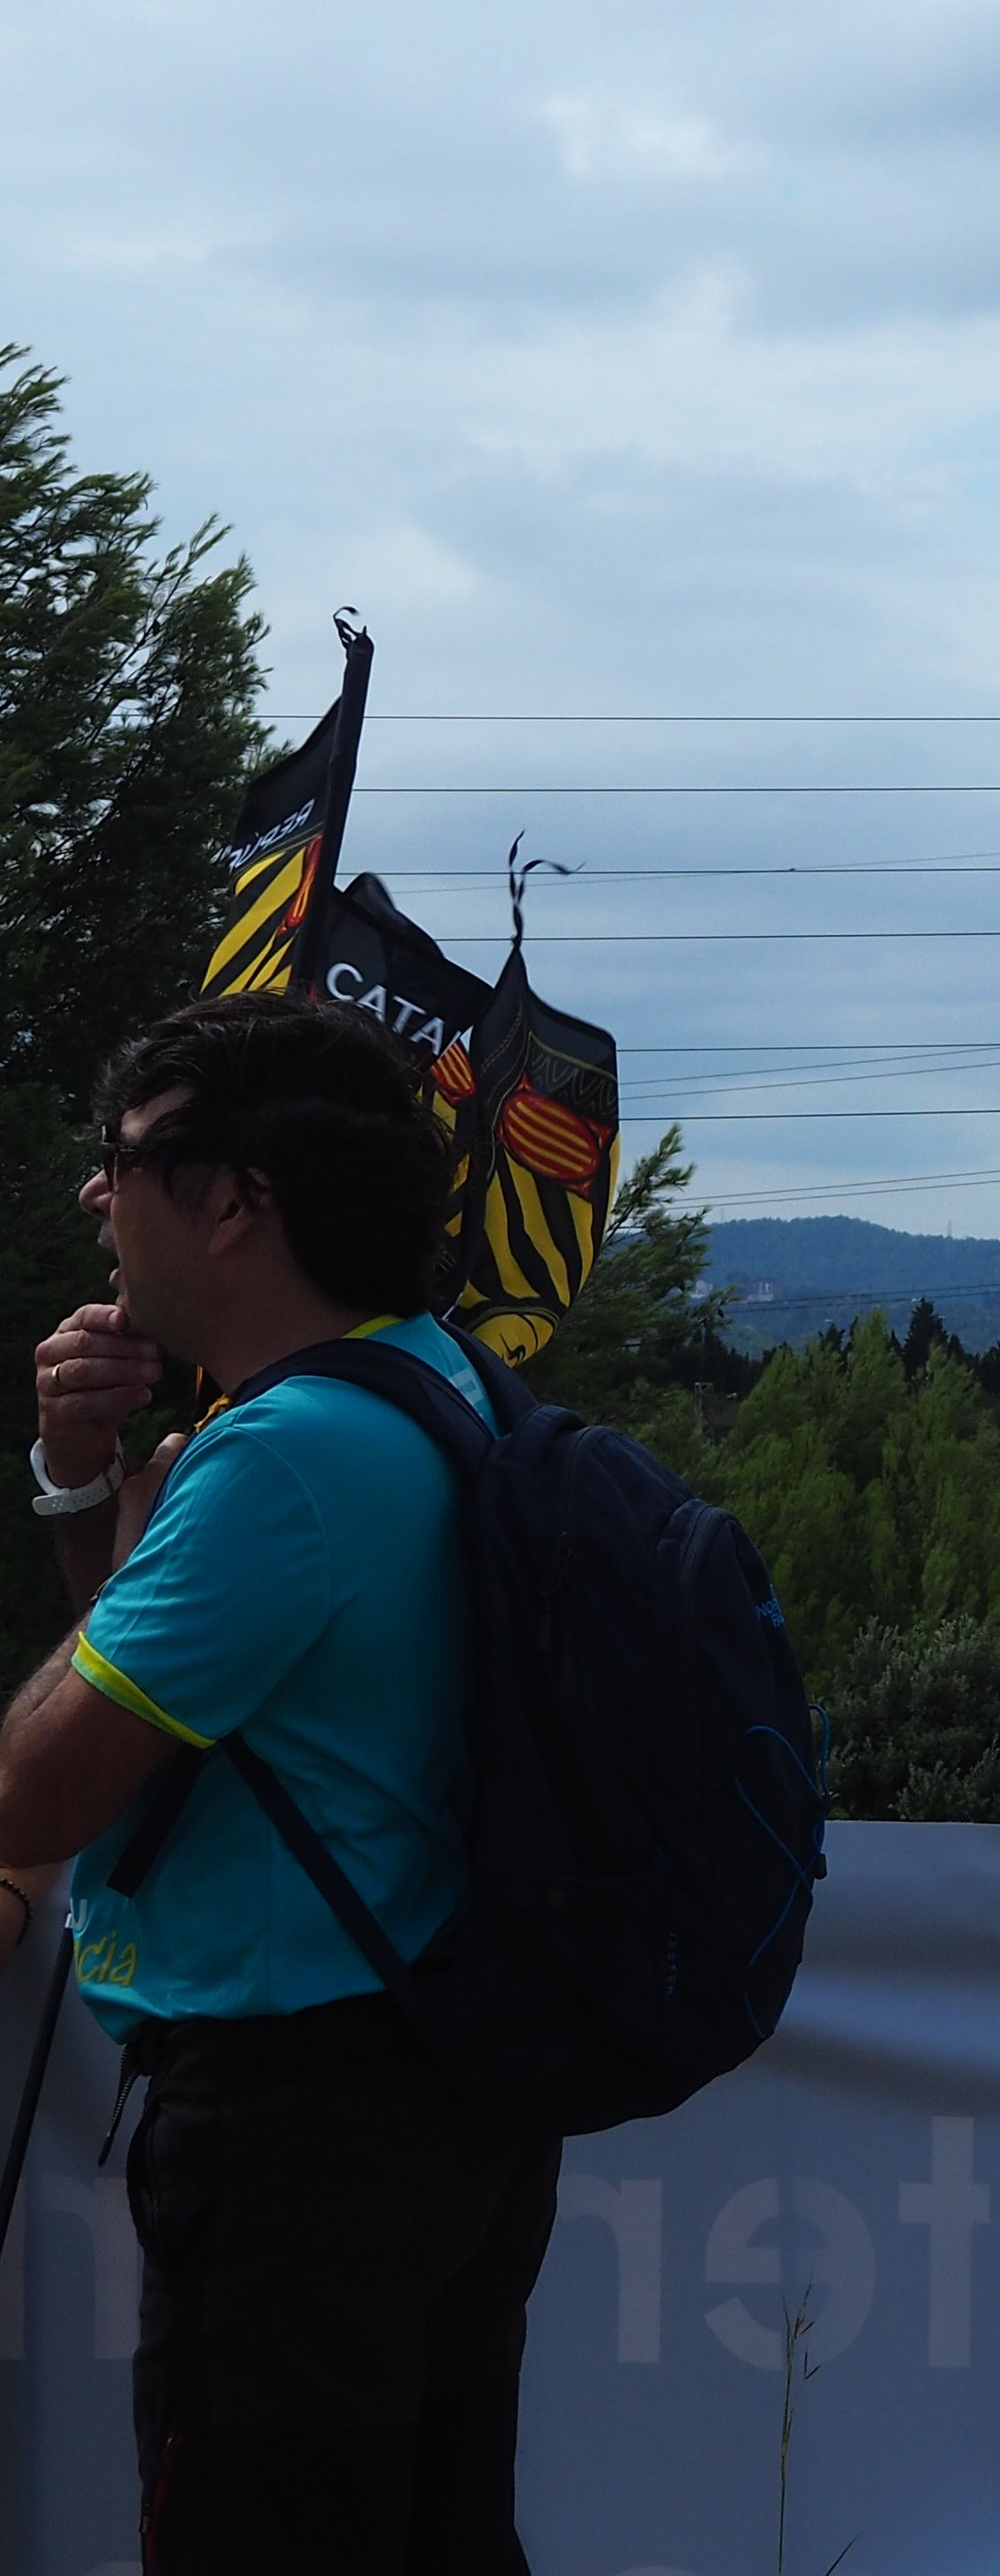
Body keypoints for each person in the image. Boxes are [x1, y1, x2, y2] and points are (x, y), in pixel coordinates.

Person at [0, 996, 552, 2572]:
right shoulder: (425, 1380)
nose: (97, 1198)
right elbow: (207, 1697)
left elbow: (39, 1795)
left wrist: (141, 1507)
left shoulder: (280, 1460)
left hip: (294, 2129)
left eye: (122, 1161)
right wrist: (85, 1477)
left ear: (237, 1202)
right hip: (442, 2082)